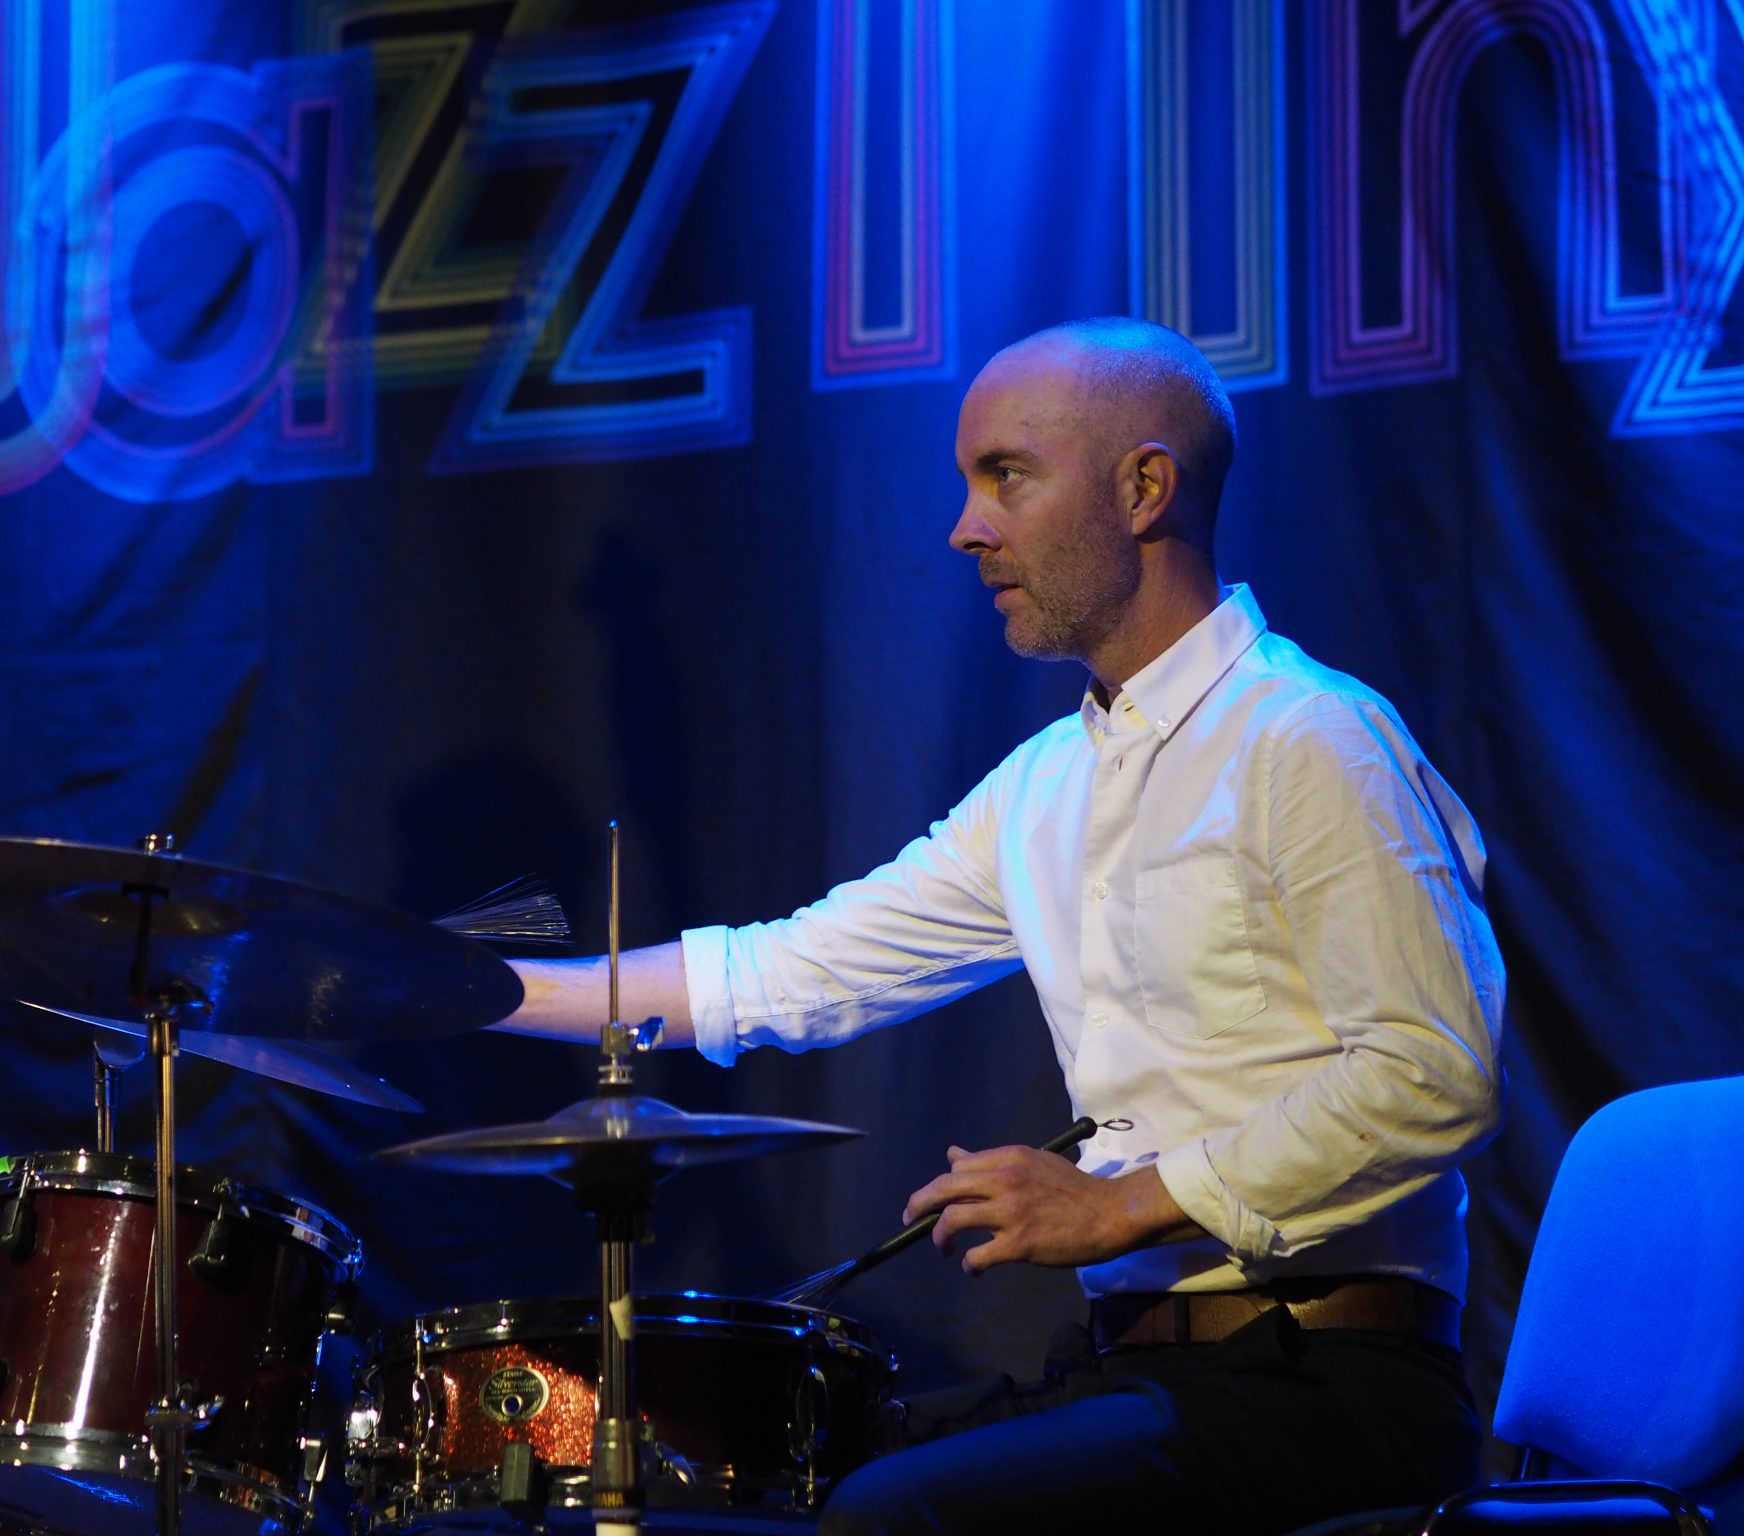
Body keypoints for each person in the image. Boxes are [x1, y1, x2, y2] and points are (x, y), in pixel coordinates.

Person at [499, 317, 1504, 1534]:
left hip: (1331, 1387)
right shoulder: (1046, 785)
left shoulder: (1308, 737)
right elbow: (790, 970)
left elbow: (1429, 1076)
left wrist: (1117, 1207)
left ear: (1143, 489)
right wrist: (473, 993)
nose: (964, 529)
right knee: (762, 1487)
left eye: (1004, 478)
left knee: (895, 1517)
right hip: (1143, 1371)